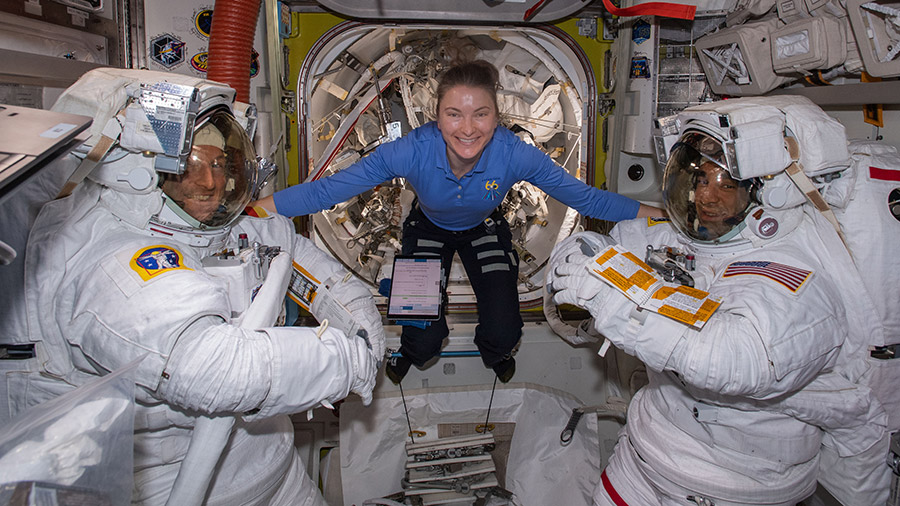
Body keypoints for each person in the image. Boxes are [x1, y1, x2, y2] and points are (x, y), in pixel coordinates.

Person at [7, 68, 385, 506]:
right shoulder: (110, 260)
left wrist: (364, 335)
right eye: (190, 166)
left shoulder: (230, 229)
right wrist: (350, 362)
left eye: (220, 163)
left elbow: (326, 279)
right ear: (138, 170)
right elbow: (217, 371)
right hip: (182, 484)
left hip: (275, 472)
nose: (212, 183)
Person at [547, 96, 891, 505]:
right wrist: (581, 250)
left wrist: (618, 304)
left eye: (727, 185)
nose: (706, 197)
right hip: (645, 454)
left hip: (732, 483)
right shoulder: (678, 240)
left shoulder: (796, 277)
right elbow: (607, 246)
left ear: (771, 196)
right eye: (700, 179)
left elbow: (733, 358)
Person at [253, 60, 663, 384]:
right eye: (454, 114)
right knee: (424, 337)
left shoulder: (514, 153)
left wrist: (652, 214)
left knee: (506, 332)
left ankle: (494, 353)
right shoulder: (409, 151)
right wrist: (257, 209)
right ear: (436, 115)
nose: (468, 129)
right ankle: (413, 353)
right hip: (427, 228)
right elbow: (326, 191)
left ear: (497, 115)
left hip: (483, 227)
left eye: (481, 115)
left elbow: (584, 197)